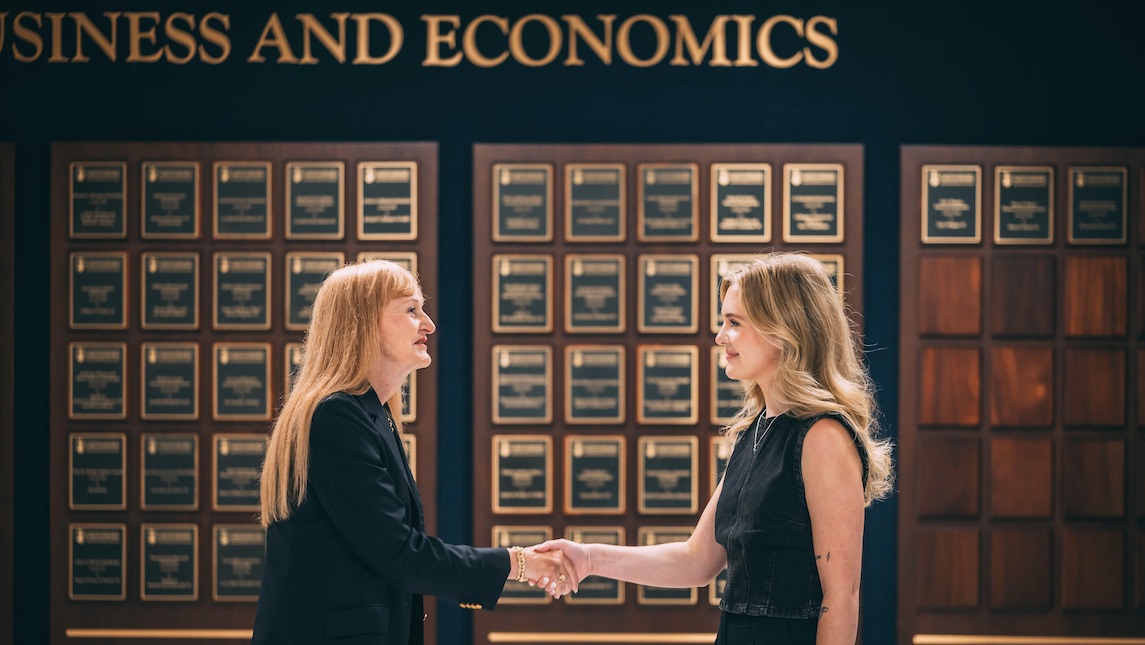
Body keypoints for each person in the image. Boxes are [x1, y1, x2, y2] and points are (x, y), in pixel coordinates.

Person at [540, 252, 893, 645]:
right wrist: (588, 558)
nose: (720, 336)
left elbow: (841, 596)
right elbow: (695, 561)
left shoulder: (824, 436)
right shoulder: (754, 432)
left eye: (734, 323)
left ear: (784, 330)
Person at [253, 260, 575, 645]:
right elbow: (400, 554)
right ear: (362, 322)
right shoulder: (335, 417)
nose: (429, 324)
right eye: (411, 309)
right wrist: (519, 563)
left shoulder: (371, 415)